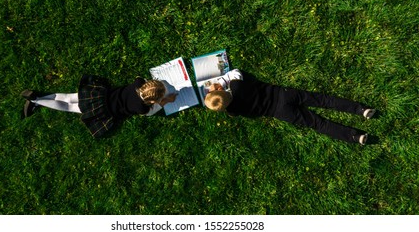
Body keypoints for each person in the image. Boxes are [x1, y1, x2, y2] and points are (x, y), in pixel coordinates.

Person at [204, 69, 376, 145]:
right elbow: (236, 73)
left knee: (317, 124)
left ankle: (355, 137)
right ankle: (361, 110)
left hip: (279, 112)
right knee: (323, 100)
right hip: (283, 94)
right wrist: (219, 82)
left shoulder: (233, 111)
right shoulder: (236, 86)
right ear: (220, 89)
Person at [21, 75, 177, 138]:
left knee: (68, 97)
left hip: (99, 96)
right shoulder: (142, 108)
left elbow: (140, 78)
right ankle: (36, 101)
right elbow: (151, 111)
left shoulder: (138, 83)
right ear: (152, 101)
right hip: (102, 109)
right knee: (68, 107)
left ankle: (37, 96)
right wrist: (166, 101)